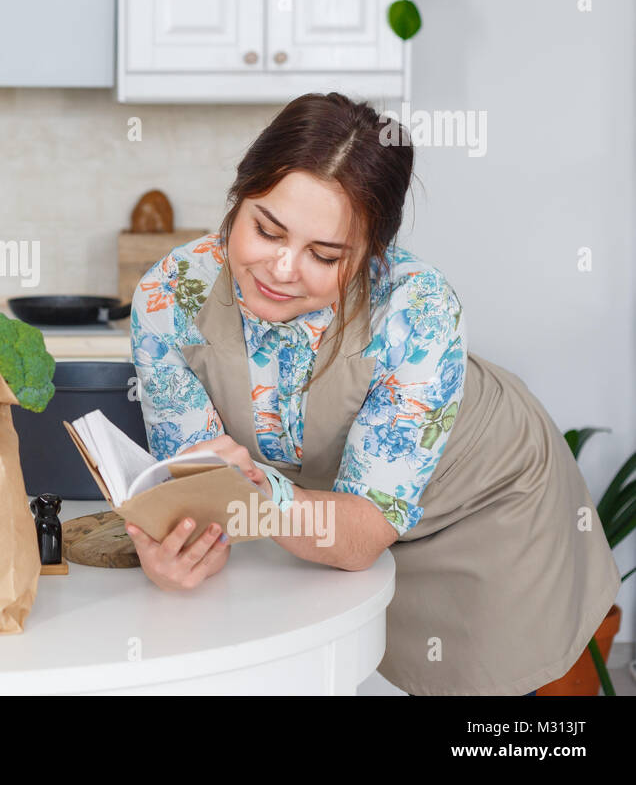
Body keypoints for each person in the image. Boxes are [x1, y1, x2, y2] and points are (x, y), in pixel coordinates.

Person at [127, 92, 619, 696]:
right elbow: (204, 499)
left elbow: (362, 529)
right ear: (239, 195)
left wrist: (256, 493)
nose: (282, 268)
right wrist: (177, 552)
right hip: (319, 517)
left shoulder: (418, 309)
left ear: (369, 256)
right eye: (266, 229)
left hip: (484, 506)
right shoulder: (167, 298)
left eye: (325, 254)